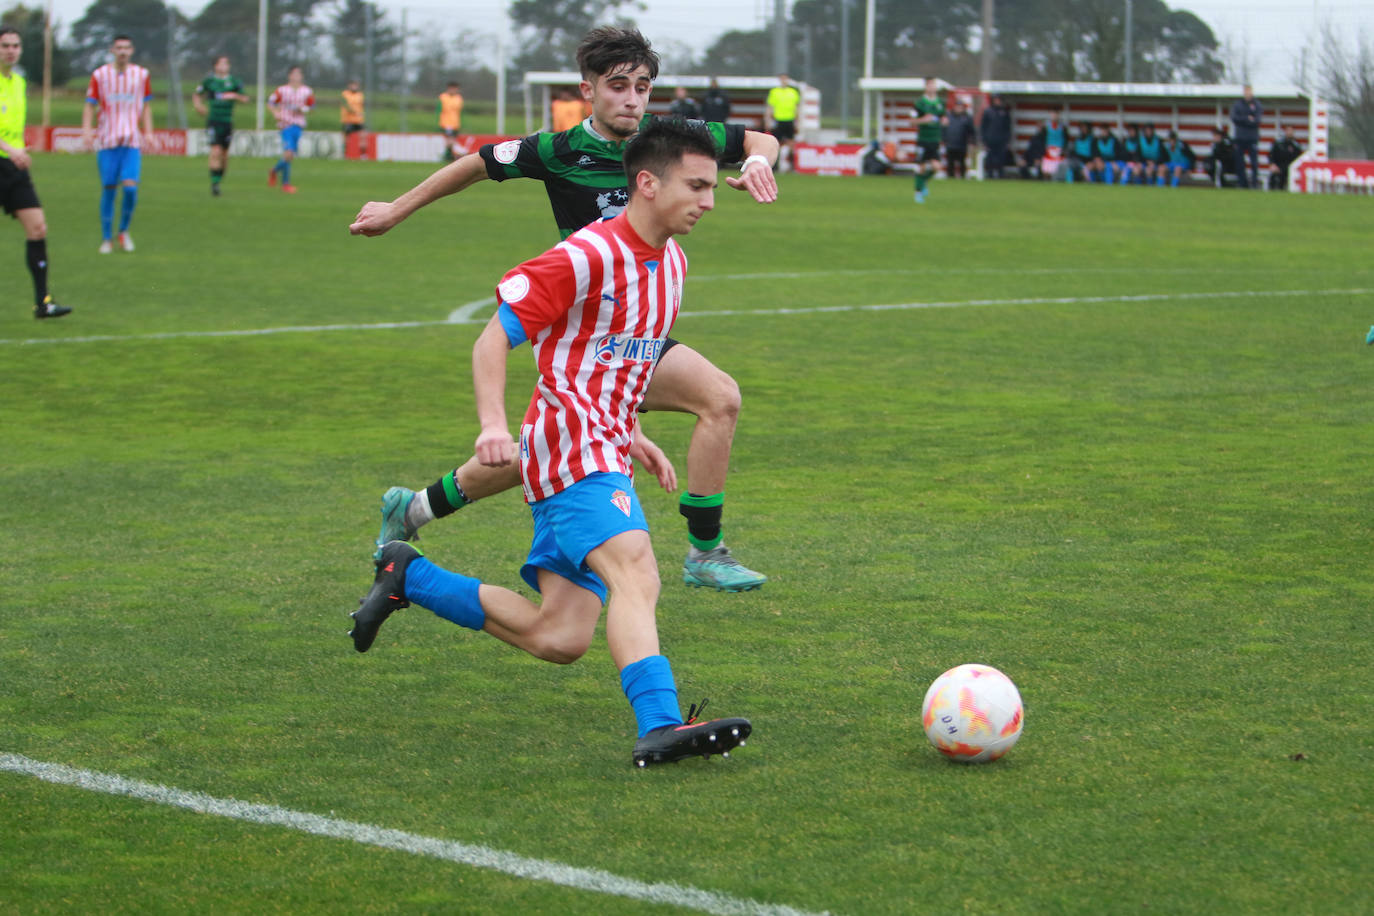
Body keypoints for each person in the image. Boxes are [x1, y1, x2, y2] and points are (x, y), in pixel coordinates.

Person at [350, 118, 753, 768]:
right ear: (648, 183)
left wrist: (634, 430)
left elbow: (619, 360)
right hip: (570, 442)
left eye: (712, 187)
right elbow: (492, 340)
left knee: (559, 636)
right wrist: (492, 425)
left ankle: (408, 574)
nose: (709, 201)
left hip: (602, 441)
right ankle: (660, 725)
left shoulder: (672, 263)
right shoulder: (585, 255)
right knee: (636, 572)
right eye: (697, 186)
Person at [349, 27, 779, 593]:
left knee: (546, 451)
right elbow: (474, 164)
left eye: (642, 86)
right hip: (582, 337)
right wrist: (396, 209)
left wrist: (758, 162)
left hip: (634, 327)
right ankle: (705, 551)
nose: (632, 99)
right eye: (618, 85)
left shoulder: (669, 141)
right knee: (711, 398)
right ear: (588, 90)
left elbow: (759, 139)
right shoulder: (556, 150)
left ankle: (414, 509)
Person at [1, 27, 70, 318]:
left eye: (15, 45)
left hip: (13, 167)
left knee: (38, 228)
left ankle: (43, 303)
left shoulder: (19, 83)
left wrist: (19, 150)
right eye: (5, 45)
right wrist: (10, 149)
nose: (11, 50)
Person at [82, 34, 151, 254]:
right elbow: (90, 105)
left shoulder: (141, 75)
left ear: (132, 50)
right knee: (109, 189)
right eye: (119, 47)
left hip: (131, 141)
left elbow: (147, 106)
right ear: (112, 50)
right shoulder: (100, 75)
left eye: (126, 48)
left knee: (130, 189)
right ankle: (106, 239)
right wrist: (87, 131)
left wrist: (149, 132)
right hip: (107, 141)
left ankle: (123, 231)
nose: (122, 51)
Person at [192, 55, 248, 197]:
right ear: (215, 66)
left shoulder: (234, 81)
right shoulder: (209, 81)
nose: (224, 66)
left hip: (227, 121)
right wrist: (198, 106)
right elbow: (197, 94)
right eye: (221, 63)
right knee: (215, 151)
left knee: (224, 155)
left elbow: (245, 99)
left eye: (226, 63)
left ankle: (218, 178)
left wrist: (235, 96)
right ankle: (215, 184)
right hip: (213, 120)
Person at [267, 66, 312, 194]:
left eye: (299, 74)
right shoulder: (282, 90)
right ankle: (285, 184)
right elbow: (270, 102)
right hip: (285, 124)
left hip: (298, 125)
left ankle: (274, 170)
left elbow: (312, 106)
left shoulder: (306, 91)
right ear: (290, 76)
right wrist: (275, 113)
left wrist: (303, 109)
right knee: (288, 153)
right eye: (294, 74)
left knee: (290, 156)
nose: (297, 76)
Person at [911, 76, 945, 201]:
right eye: (929, 85)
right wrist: (923, 120)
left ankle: (923, 182)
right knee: (922, 167)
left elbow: (942, 118)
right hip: (923, 140)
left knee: (937, 167)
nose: (932, 87)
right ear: (925, 87)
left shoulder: (940, 103)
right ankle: (918, 192)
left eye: (934, 85)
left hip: (935, 140)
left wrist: (944, 121)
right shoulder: (919, 103)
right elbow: (911, 121)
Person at [765, 73, 801, 172]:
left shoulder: (793, 92)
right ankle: (775, 165)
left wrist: (798, 122)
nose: (784, 81)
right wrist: (768, 120)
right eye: (782, 79)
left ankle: (792, 166)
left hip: (790, 120)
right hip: (778, 120)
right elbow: (770, 107)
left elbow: (797, 108)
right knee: (776, 143)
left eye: (785, 79)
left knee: (791, 144)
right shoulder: (774, 92)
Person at [1230, 85, 1262, 189]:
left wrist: (1244, 120)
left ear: (1252, 92)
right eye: (1246, 91)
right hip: (1240, 138)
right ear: (1243, 92)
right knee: (1240, 162)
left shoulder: (1257, 104)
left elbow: (1257, 120)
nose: (1247, 93)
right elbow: (1234, 118)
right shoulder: (1237, 104)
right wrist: (1247, 118)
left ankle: (1254, 183)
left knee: (1254, 162)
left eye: (1249, 91)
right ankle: (1242, 183)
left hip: (1252, 138)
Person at [978, 93, 1011, 179]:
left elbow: (1007, 127)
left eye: (998, 99)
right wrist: (983, 140)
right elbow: (983, 127)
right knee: (990, 159)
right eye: (995, 99)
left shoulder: (1004, 112)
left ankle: (1001, 175)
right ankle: (990, 175)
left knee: (1001, 158)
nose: (997, 101)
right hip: (990, 140)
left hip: (1001, 140)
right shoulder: (988, 111)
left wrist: (1007, 140)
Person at [942, 100, 975, 179]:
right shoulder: (948, 116)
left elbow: (971, 131)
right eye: (957, 107)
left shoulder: (967, 118)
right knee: (950, 163)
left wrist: (972, 142)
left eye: (960, 107)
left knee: (962, 162)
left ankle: (963, 177)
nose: (958, 109)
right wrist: (944, 139)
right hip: (950, 144)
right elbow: (943, 129)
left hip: (962, 144)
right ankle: (950, 178)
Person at [1268, 124, 1302, 190]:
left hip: (1291, 167)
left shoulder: (1296, 145)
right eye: (1288, 130)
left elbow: (1299, 158)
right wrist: (1272, 164)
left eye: (1291, 131)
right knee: (1274, 177)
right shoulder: (1278, 143)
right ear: (1285, 131)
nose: (1289, 132)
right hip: (1279, 166)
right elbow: (1271, 155)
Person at [437, 81, 463, 161]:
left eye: (455, 89)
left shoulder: (458, 98)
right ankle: (448, 155)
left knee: (452, 140)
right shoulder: (443, 97)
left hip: (456, 123)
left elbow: (458, 109)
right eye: (452, 88)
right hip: (446, 123)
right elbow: (441, 108)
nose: (453, 90)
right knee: (449, 140)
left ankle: (449, 155)